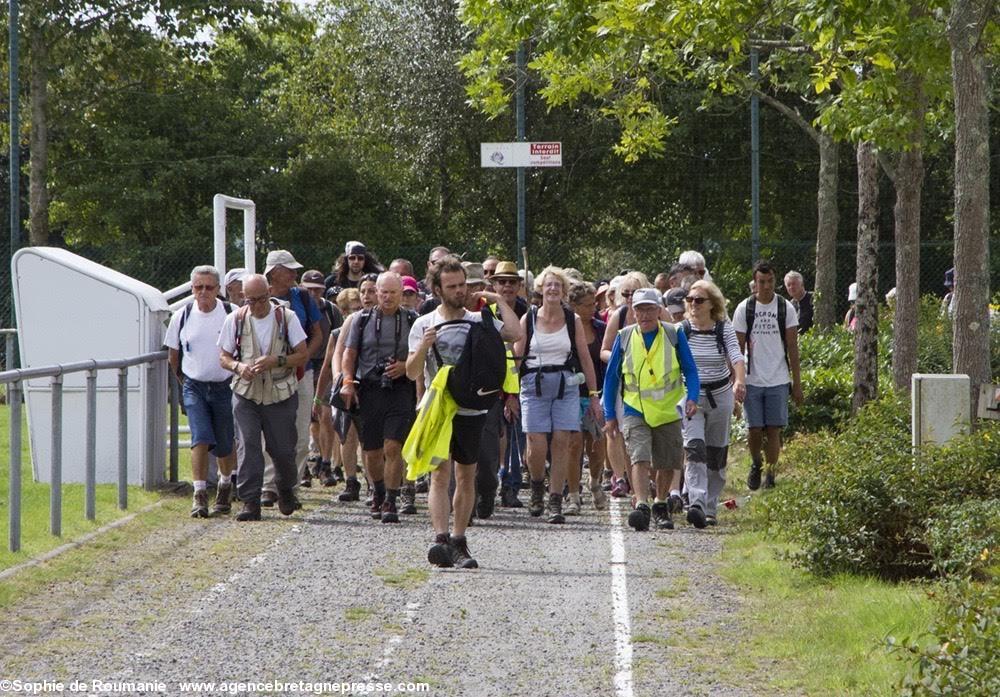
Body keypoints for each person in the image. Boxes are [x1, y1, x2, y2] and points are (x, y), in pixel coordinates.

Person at [406, 256, 522, 568]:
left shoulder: (478, 319)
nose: (460, 291)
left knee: (466, 474)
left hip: (472, 409)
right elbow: (410, 371)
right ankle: (440, 539)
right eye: (452, 286)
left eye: (462, 285)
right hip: (440, 408)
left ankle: (459, 539)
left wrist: (497, 299)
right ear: (437, 289)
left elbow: (515, 334)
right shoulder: (423, 324)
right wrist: (422, 346)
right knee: (440, 474)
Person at [602, 288, 700, 531]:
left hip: (668, 410)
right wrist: (610, 416)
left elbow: (690, 370)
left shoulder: (673, 334)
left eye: (649, 308)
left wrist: (693, 398)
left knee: (667, 462)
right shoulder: (624, 337)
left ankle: (661, 503)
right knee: (640, 458)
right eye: (639, 309)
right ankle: (642, 505)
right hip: (636, 408)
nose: (644, 314)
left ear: (659, 310)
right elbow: (611, 379)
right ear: (633, 312)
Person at [515, 266, 602, 524]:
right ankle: (537, 486)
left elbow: (585, 358)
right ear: (541, 289)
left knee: (562, 440)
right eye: (549, 285)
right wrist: (509, 393)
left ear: (563, 291)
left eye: (558, 285)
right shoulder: (528, 319)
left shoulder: (571, 319)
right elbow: (517, 360)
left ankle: (555, 499)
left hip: (566, 383)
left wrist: (594, 395)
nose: (553, 289)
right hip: (533, 384)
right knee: (536, 442)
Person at [218, 274, 310, 521]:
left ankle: (285, 489)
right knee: (247, 445)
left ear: (270, 293)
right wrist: (239, 367)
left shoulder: (286, 318)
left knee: (282, 450)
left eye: (261, 299)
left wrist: (276, 361)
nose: (257, 306)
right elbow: (223, 357)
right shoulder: (235, 319)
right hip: (245, 393)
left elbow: (302, 355)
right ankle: (250, 501)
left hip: (280, 393)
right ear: (243, 298)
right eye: (251, 300)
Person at [339, 272, 417, 523]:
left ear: (401, 294)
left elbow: (421, 354)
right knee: (372, 451)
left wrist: (405, 366)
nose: (387, 297)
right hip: (370, 389)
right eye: (382, 292)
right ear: (375, 292)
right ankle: (379, 491)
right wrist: (348, 382)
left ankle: (391, 500)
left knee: (394, 446)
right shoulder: (360, 320)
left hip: (401, 388)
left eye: (393, 292)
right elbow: (349, 355)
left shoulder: (412, 320)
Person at [165, 265, 237, 517]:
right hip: (194, 385)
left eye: (209, 287)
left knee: (225, 443)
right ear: (192, 288)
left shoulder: (232, 313)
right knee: (200, 438)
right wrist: (183, 380)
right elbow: (173, 355)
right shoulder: (181, 316)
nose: (203, 292)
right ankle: (199, 494)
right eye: (198, 287)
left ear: (218, 289)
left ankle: (225, 484)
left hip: (225, 385)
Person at [679, 280, 746, 527]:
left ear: (712, 304)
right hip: (691, 398)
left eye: (699, 300)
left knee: (716, 454)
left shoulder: (723, 328)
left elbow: (736, 356)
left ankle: (710, 507)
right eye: (690, 300)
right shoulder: (682, 329)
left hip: (720, 395)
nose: (693, 305)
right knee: (694, 448)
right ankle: (696, 501)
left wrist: (739, 381)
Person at [733, 260, 803, 490]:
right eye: (761, 282)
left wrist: (797, 383)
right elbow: (737, 347)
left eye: (770, 281)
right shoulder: (745, 309)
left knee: (774, 428)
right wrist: (737, 381)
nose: (765, 286)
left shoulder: (785, 308)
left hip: (779, 378)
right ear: (755, 282)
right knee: (754, 428)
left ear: (775, 281)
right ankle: (756, 463)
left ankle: (771, 473)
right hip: (752, 379)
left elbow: (792, 346)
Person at [261, 250, 323, 503]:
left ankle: (291, 486)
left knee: (299, 432)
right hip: (266, 376)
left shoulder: (304, 298)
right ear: (274, 273)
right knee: (268, 432)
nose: (295, 274)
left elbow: (318, 333)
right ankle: (268, 485)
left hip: (301, 374)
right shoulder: (258, 297)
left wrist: (303, 357)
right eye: (289, 270)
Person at [567, 281, 609, 512]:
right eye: (587, 304)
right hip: (570, 394)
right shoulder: (565, 328)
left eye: (594, 303)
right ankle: (573, 494)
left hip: (597, 394)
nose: (593, 308)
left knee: (597, 443)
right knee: (573, 445)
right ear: (573, 305)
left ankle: (595, 482)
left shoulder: (601, 328)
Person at [491, 261, 529, 507]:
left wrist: (513, 392)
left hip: (521, 382)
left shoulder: (528, 313)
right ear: (493, 284)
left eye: (512, 281)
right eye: (501, 281)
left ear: (519, 285)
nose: (506, 286)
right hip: (491, 383)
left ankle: (511, 487)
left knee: (516, 438)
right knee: (492, 440)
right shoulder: (486, 311)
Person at [301, 269, 343, 486]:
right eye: (309, 289)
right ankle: (304, 467)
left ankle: (326, 464)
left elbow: (340, 338)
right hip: (301, 364)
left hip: (325, 365)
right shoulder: (296, 307)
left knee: (326, 415)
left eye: (318, 290)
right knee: (304, 418)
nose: (314, 294)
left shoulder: (331, 310)